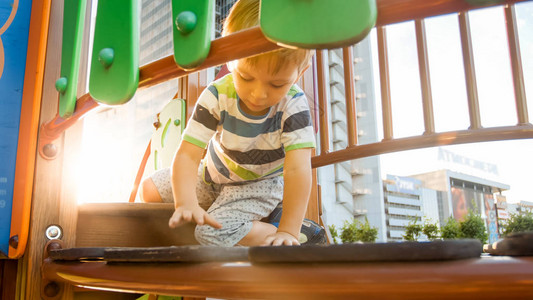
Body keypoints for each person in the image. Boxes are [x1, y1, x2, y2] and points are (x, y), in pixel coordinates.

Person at [140, 0, 324, 246]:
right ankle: (232, 216)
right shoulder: (217, 95)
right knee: (149, 189)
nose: (258, 94)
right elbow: (187, 155)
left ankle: (295, 231)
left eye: (277, 84)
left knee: (210, 234)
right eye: (246, 77)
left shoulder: (293, 106)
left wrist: (287, 232)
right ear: (229, 60)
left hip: (257, 185)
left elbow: (297, 170)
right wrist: (186, 203)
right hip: (211, 176)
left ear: (299, 73)